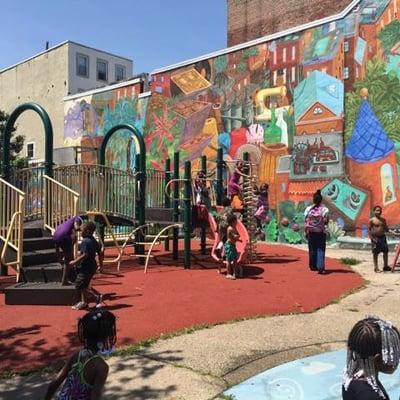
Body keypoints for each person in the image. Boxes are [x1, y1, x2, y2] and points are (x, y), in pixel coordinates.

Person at [45, 308, 116, 400]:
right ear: (106, 336)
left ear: (85, 333)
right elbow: (95, 396)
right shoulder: (101, 367)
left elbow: (55, 383)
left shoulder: (77, 355)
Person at [342, 315, 400, 400]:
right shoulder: (370, 396)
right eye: (395, 353)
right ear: (378, 360)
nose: (398, 358)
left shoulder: (351, 374)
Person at [69, 221, 104, 310]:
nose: (81, 232)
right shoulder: (94, 240)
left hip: (86, 266)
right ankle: (84, 302)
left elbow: (84, 255)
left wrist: (74, 262)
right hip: (92, 266)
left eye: (82, 230)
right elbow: (100, 253)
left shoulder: (85, 242)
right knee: (84, 285)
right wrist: (101, 265)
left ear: (88, 231)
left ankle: (96, 297)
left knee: (79, 284)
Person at [304, 190, 329, 274]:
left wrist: (306, 231)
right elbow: (326, 221)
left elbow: (305, 220)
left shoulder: (308, 209)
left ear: (313, 199)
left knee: (312, 249)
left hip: (311, 232)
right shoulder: (324, 209)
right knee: (320, 249)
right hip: (320, 232)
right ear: (321, 200)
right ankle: (320, 266)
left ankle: (312, 266)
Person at [53, 216, 83, 285]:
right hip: (64, 237)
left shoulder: (67, 222)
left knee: (68, 254)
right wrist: (84, 228)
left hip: (55, 236)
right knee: (68, 260)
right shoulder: (77, 219)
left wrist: (59, 257)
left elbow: (56, 245)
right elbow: (76, 227)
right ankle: (64, 281)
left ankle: (70, 274)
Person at [369, 206, 391, 273]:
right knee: (375, 253)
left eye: (380, 210)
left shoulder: (383, 220)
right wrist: (372, 238)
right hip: (375, 238)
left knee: (385, 251)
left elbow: (386, 229)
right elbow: (369, 230)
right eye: (377, 210)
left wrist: (393, 232)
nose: (379, 212)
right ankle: (376, 267)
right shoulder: (372, 220)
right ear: (374, 211)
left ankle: (385, 266)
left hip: (383, 237)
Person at [215, 197, 234, 270]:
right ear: (229, 203)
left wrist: (217, 227)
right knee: (227, 240)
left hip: (221, 226)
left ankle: (219, 247)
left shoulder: (221, 210)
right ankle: (227, 254)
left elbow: (217, 217)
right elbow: (231, 217)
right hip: (227, 226)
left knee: (223, 239)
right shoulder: (230, 209)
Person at [224, 213, 242, 280]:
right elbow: (233, 236)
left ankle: (235, 272)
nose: (236, 223)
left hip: (233, 245)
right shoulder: (230, 228)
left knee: (234, 259)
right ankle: (228, 274)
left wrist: (239, 240)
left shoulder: (234, 228)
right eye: (235, 222)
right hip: (229, 246)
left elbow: (234, 238)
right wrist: (238, 237)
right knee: (228, 260)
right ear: (232, 222)